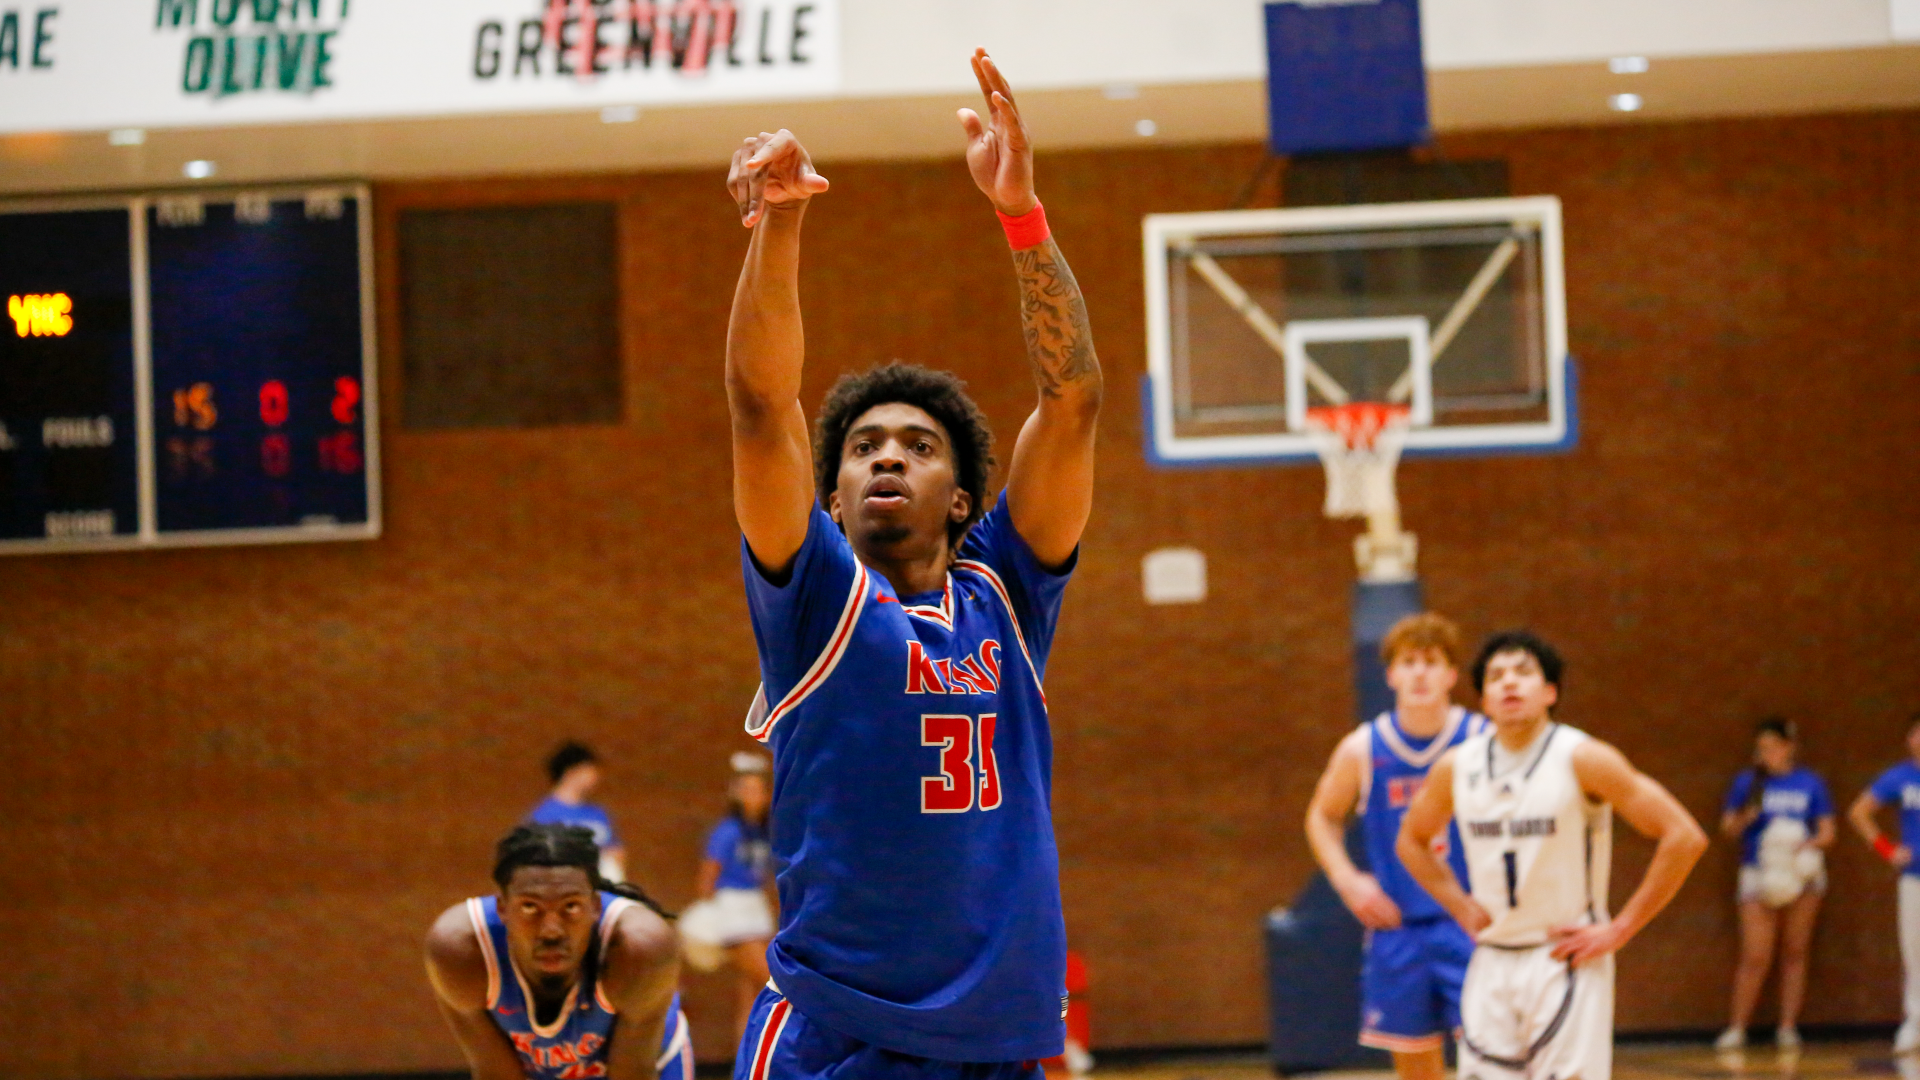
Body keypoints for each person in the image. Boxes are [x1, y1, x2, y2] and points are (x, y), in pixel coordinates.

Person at [722, 44, 1100, 1080]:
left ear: (965, 498)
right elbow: (760, 407)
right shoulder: (816, 598)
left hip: (997, 1039)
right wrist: (780, 223)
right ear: (831, 498)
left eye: (919, 446)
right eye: (862, 447)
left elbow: (1072, 402)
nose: (887, 455)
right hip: (839, 1029)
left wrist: (1021, 216)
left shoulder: (1004, 592)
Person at [1397, 631, 1707, 1080]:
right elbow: (1411, 840)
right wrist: (1458, 904)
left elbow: (1683, 836)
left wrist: (1621, 928)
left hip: (1564, 957)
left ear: (1550, 692)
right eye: (1496, 676)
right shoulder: (1456, 766)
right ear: (1483, 700)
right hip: (1492, 957)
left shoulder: (1584, 758)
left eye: (1523, 673)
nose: (1509, 682)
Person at [1303, 612, 1487, 1080]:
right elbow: (1322, 816)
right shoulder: (1363, 747)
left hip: (1472, 923)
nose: (1420, 673)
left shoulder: (1480, 740)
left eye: (1431, 661)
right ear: (1391, 675)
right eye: (1408, 662)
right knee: (1416, 1066)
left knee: (1493, 1058)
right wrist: (1347, 880)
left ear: (1451, 675)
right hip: (1400, 927)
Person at [425, 823, 691, 1080]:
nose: (551, 932)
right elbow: (495, 1073)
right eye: (530, 907)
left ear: (595, 907)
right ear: (502, 909)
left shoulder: (639, 947)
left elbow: (632, 1073)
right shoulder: (461, 948)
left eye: (570, 907)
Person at [1715, 717, 1835, 1051]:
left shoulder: (1810, 783)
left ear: (1789, 747)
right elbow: (1727, 829)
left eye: (1773, 747)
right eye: (1761, 748)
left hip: (1799, 873)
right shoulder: (1748, 782)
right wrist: (1745, 818)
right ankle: (1737, 1027)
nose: (1766, 754)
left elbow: (1828, 833)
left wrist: (1805, 845)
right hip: (1759, 870)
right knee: (1756, 954)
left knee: (1795, 951)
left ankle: (1787, 1026)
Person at [679, 752, 777, 1048]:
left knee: (752, 994)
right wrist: (715, 914)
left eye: (757, 790)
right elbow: (707, 879)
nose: (752, 796)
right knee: (771, 979)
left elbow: (765, 875)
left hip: (755, 906)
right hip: (732, 906)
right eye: (745, 790)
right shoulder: (728, 831)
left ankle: (747, 1060)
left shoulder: (762, 832)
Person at [1847, 713, 1920, 1054]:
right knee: (1914, 952)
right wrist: (1887, 850)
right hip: (1915, 877)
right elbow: (1859, 812)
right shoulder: (1899, 777)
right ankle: (1915, 1024)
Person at [528, 742, 627, 883]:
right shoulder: (544, 815)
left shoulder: (598, 814)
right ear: (571, 772)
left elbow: (614, 850)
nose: (595, 777)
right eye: (589, 771)